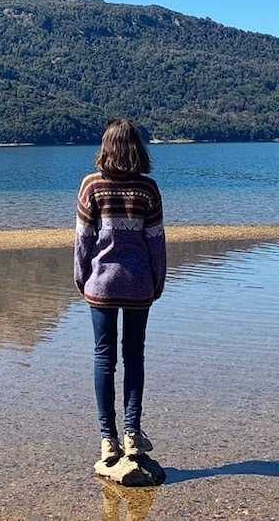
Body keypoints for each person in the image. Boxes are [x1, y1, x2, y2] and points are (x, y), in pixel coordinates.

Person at [74, 118, 166, 467]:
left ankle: (107, 440)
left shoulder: (91, 186)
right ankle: (132, 434)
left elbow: (83, 240)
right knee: (134, 357)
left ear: (105, 148)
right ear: (138, 148)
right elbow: (156, 243)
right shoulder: (148, 190)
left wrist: (82, 279)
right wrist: (158, 281)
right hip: (139, 283)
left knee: (103, 358)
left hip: (101, 285)